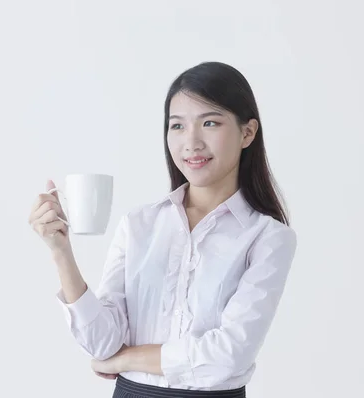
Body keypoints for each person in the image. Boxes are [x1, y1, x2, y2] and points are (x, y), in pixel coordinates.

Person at [29, 61, 298, 398]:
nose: (191, 142)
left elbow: (229, 356)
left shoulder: (268, 237)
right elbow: (101, 343)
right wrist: (61, 252)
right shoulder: (139, 224)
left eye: (210, 123)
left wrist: (126, 358)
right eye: (177, 126)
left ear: (247, 133)